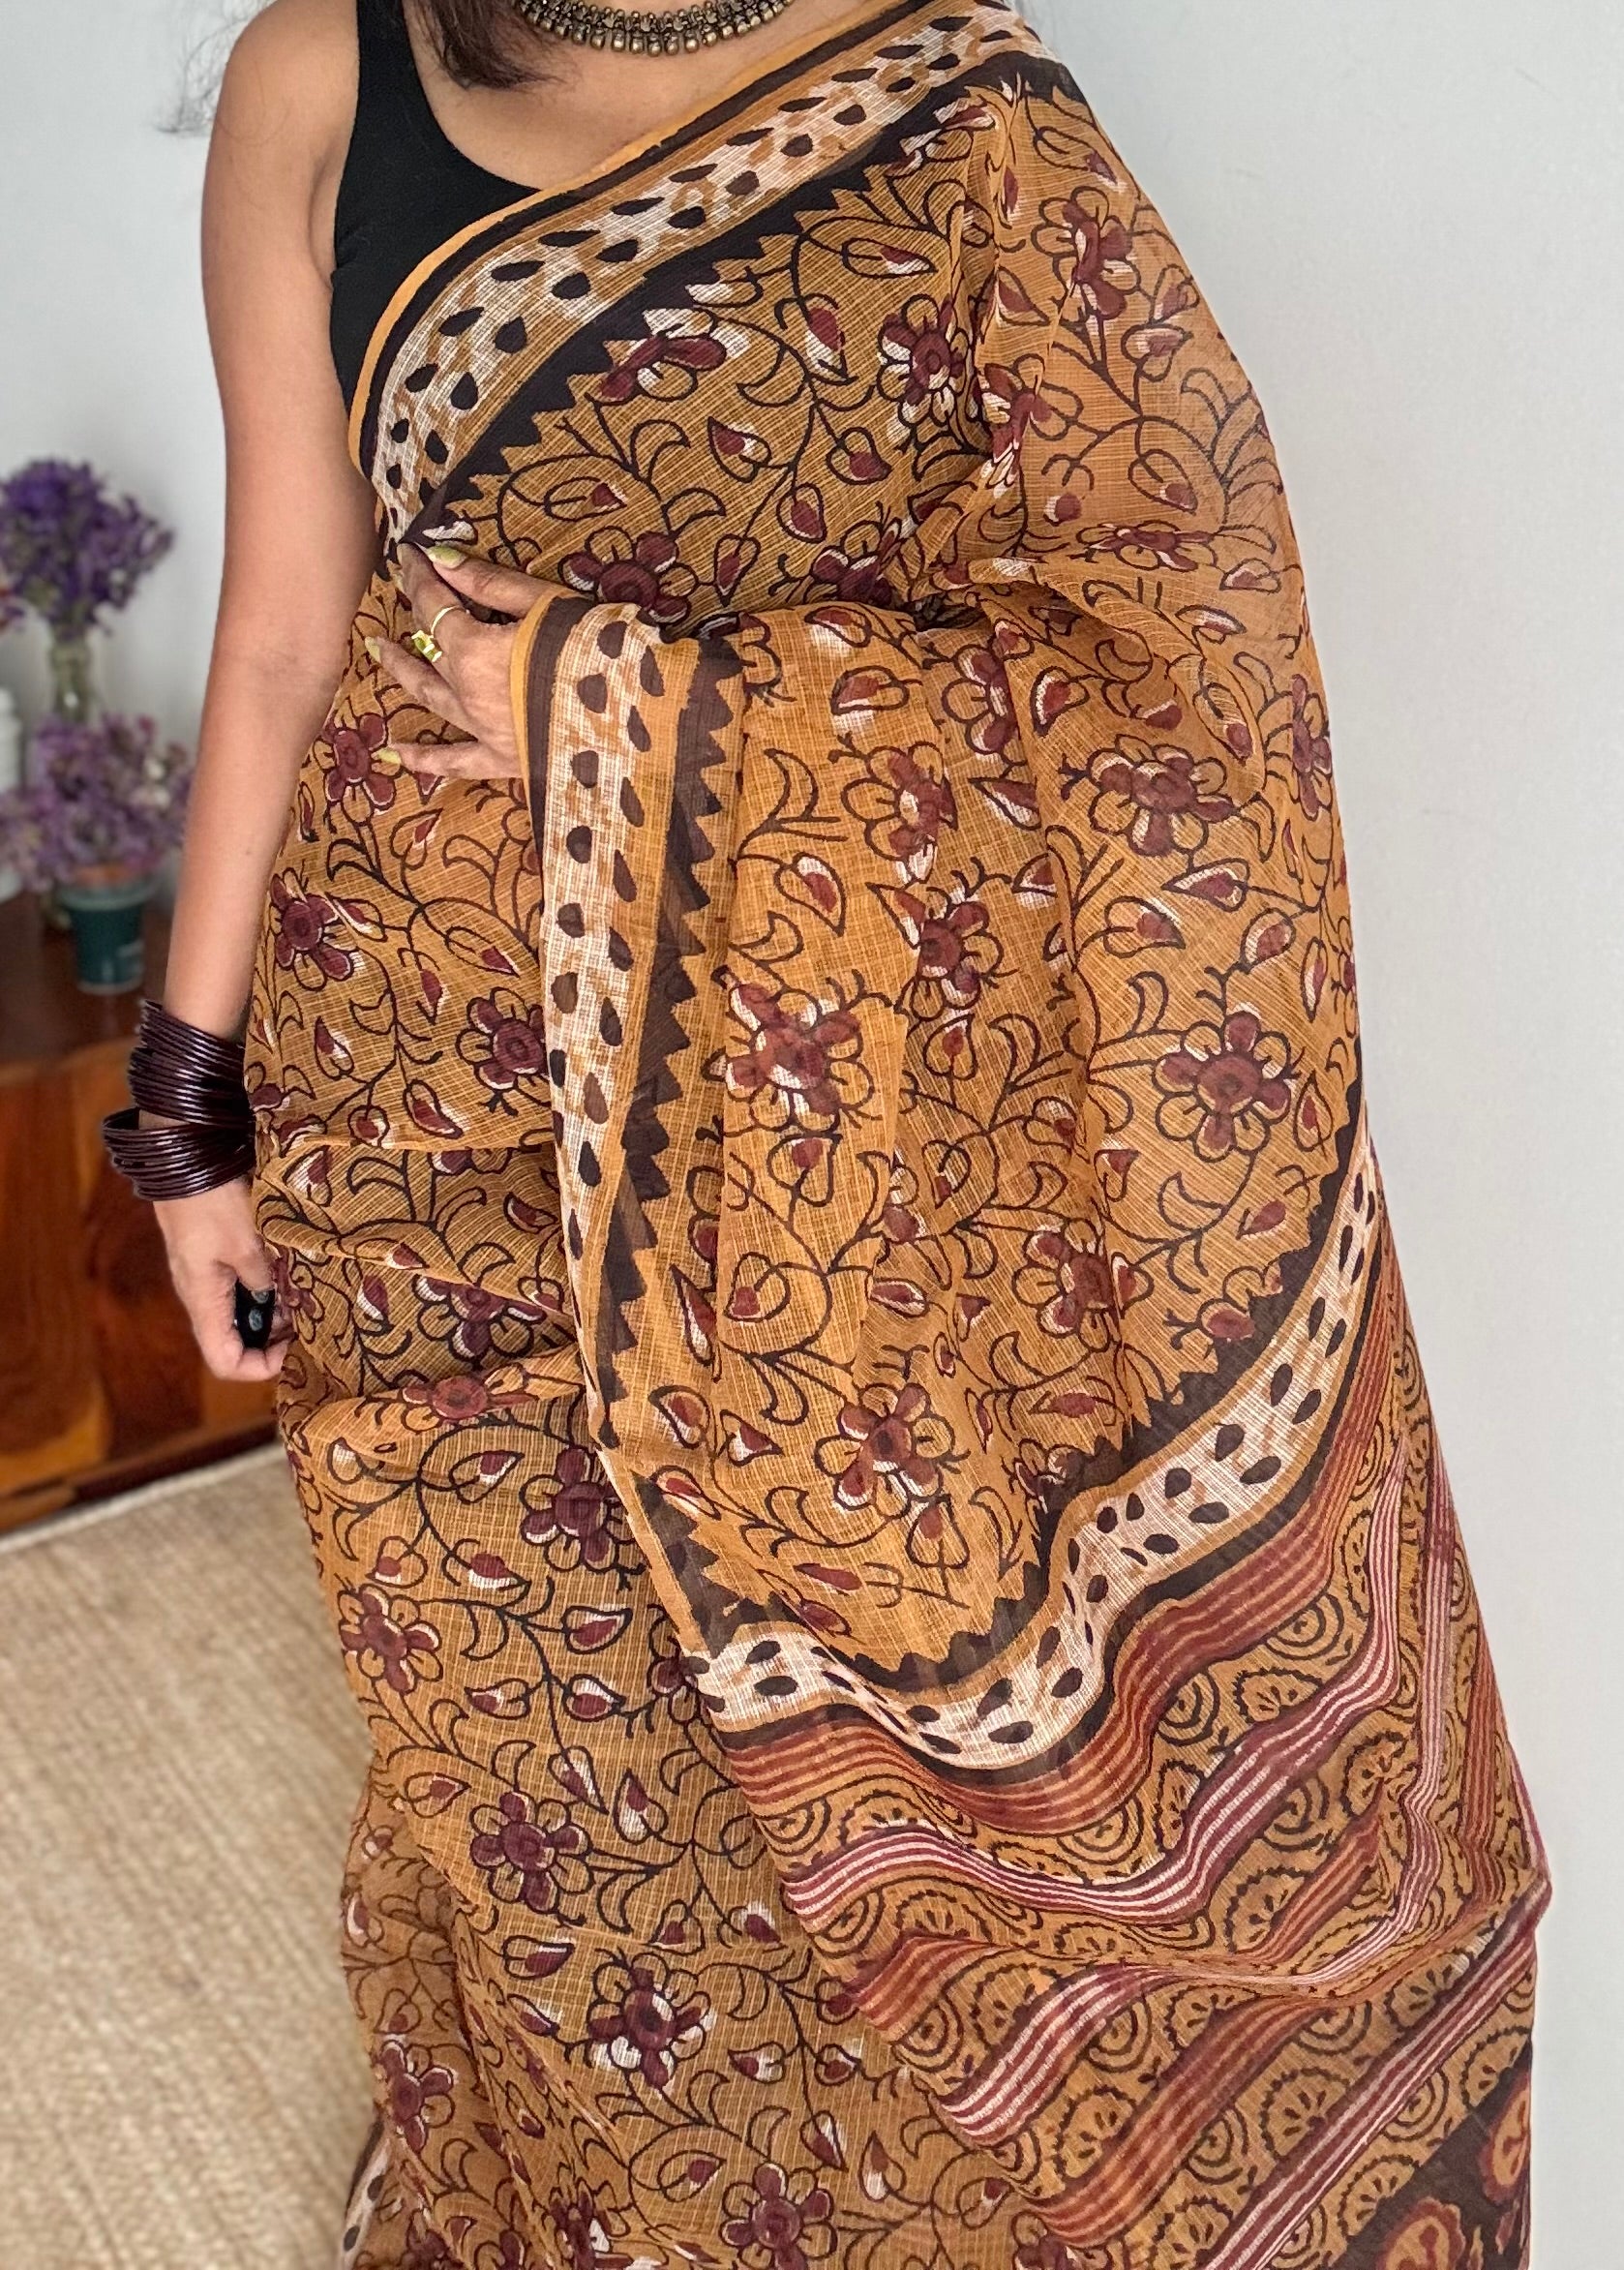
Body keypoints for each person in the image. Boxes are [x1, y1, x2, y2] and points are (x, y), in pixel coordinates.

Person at [108, 1, 1549, 2263]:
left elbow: (1180, 665)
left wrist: (616, 711)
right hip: (419, 1116)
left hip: (838, 1198)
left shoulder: (958, 104)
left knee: (855, 1842)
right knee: (546, 1795)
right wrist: (188, 1109)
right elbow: (286, 630)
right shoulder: (328, 65)